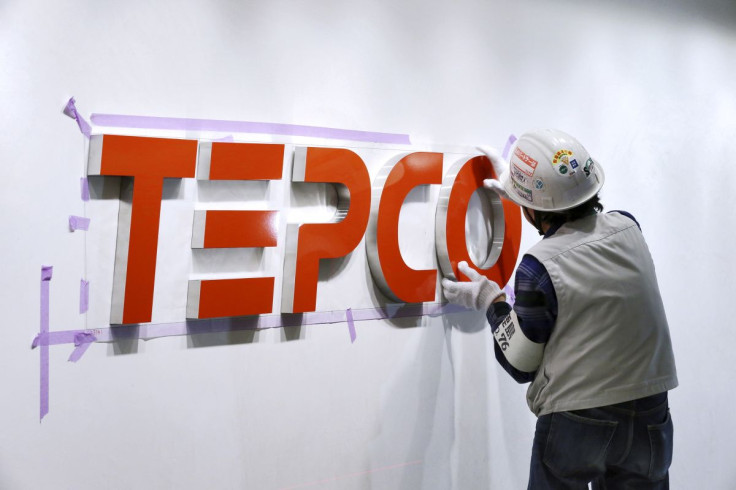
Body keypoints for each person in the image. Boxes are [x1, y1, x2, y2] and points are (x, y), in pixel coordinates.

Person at [441, 129, 678, 489]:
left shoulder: (538, 267)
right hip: (650, 418)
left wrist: (490, 301)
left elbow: (520, 364)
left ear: (533, 209)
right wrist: (534, 197)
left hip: (580, 422)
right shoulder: (630, 226)